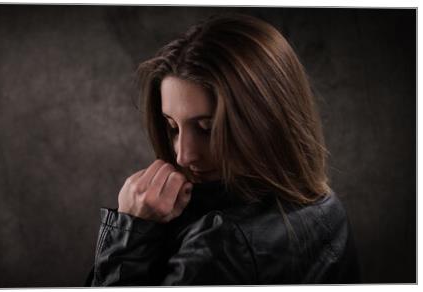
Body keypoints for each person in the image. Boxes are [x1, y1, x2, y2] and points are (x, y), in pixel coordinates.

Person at [86, 14, 360, 285]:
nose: (184, 155)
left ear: (268, 121)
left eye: (208, 128)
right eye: (173, 128)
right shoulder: (329, 207)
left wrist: (129, 235)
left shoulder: (220, 247)